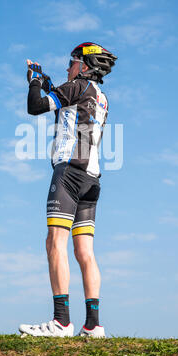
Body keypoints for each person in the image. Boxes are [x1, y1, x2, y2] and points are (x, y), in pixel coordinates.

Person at [19, 42, 117, 338]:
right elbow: (69, 117)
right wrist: (50, 85)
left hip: (69, 173)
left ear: (85, 66)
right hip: (92, 178)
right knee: (85, 251)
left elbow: (35, 106)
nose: (67, 68)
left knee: (54, 243)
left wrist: (35, 82)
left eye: (72, 62)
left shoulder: (78, 86)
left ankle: (61, 321)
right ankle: (94, 324)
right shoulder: (101, 97)